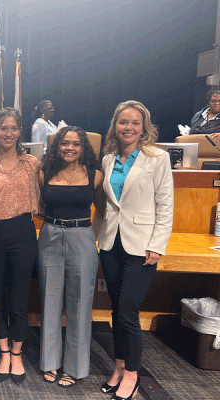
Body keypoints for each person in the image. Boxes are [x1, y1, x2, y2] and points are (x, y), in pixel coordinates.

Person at [97, 100, 173, 400]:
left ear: (144, 128)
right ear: (115, 125)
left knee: (128, 311)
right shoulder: (108, 158)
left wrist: (157, 245)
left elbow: (166, 205)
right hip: (111, 243)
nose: (128, 127)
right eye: (123, 122)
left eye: (135, 123)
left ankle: (132, 374)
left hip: (142, 246)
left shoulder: (158, 158)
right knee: (117, 310)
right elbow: (107, 206)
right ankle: (118, 366)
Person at [0, 107, 39, 385]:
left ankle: (17, 353)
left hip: (22, 230)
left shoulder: (31, 163)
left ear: (20, 131)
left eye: (13, 128)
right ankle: (3, 352)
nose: (9, 133)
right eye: (3, 128)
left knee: (19, 297)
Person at [37, 126, 103, 387]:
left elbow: (103, 209)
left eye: (76, 144)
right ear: (57, 146)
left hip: (82, 237)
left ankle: (74, 367)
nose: (70, 148)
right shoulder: (44, 173)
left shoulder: (94, 175)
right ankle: (50, 362)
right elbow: (39, 207)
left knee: (80, 304)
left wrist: (89, 237)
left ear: (84, 148)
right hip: (50, 235)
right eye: (65, 143)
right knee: (49, 301)